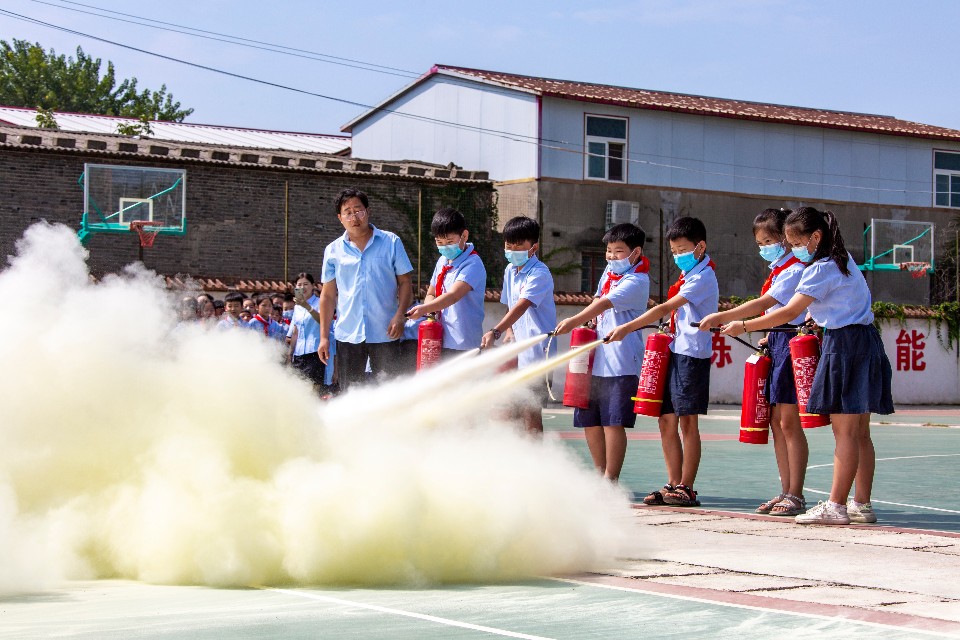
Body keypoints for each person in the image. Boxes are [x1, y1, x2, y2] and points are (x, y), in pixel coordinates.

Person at [720, 206, 893, 525]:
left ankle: (836, 506)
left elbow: (787, 312)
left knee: (845, 432)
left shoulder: (820, 268)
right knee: (860, 433)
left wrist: (743, 326)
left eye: (795, 242)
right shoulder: (844, 259)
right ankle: (861, 504)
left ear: (816, 237)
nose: (792, 248)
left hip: (844, 346)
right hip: (865, 341)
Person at [698, 208, 809, 516]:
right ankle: (786, 489)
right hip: (776, 341)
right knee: (776, 422)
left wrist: (724, 318)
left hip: (791, 343)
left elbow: (765, 305)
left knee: (789, 422)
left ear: (786, 240)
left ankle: (796, 495)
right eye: (760, 242)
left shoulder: (795, 269)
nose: (764, 248)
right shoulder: (779, 270)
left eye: (769, 240)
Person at [606, 216, 718, 507]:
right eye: (674, 251)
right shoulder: (688, 276)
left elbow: (668, 306)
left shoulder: (704, 276)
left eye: (683, 249)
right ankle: (672, 482)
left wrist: (628, 327)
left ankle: (687, 486)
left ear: (700, 246)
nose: (678, 256)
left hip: (692, 356)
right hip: (674, 352)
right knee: (666, 420)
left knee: (687, 423)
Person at [553, 223, 650, 483]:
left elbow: (606, 303)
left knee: (613, 422)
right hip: (593, 360)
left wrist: (574, 320)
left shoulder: (637, 280)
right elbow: (598, 300)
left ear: (636, 252)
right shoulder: (609, 272)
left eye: (618, 251)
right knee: (590, 420)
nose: (611, 257)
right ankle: (598, 474)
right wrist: (584, 324)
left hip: (620, 363)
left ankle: (611, 478)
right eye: (608, 251)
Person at [318, 187, 414, 391]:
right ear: (340, 218)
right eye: (348, 212)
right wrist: (324, 336)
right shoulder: (333, 250)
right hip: (348, 333)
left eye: (358, 210)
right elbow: (327, 296)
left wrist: (400, 316)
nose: (354, 217)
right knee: (350, 392)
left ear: (368, 211)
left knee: (387, 390)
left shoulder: (391, 242)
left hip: (386, 331)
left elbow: (405, 283)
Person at [480, 216, 557, 434]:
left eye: (518, 245)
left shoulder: (540, 273)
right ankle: (516, 459)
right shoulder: (510, 270)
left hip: (537, 355)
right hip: (516, 353)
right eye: (508, 245)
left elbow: (521, 306)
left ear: (533, 247)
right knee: (510, 410)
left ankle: (535, 460)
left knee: (530, 412)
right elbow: (510, 305)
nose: (512, 250)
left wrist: (496, 331)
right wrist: (509, 331)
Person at [406, 207, 487, 358]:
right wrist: (430, 310)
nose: (445, 247)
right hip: (438, 337)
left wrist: (423, 309)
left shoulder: (473, 263)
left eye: (450, 241)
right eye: (439, 242)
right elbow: (431, 293)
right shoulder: (442, 261)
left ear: (464, 235)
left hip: (462, 343)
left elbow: (453, 295)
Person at [287, 273, 326, 391]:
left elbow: (322, 320)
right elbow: (295, 331)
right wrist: (290, 353)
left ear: (313, 286)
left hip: (315, 351)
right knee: (297, 387)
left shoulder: (320, 302)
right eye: (299, 285)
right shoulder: (297, 306)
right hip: (299, 353)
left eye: (306, 284)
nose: (302, 287)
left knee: (313, 388)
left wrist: (307, 306)